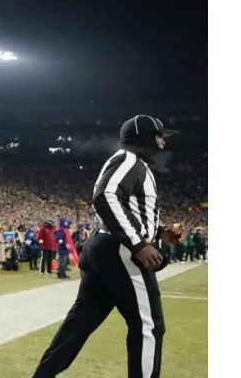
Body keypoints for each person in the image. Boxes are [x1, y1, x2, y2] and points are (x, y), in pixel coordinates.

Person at [33, 115, 179, 378]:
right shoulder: (129, 161)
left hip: (106, 247)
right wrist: (137, 244)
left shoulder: (130, 163)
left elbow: (125, 207)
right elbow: (105, 196)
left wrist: (159, 232)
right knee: (149, 327)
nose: (162, 144)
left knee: (79, 323)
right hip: (120, 250)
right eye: (159, 137)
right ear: (145, 137)